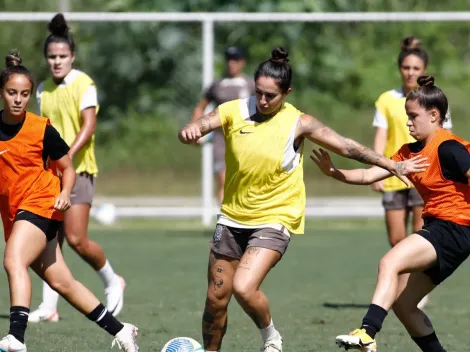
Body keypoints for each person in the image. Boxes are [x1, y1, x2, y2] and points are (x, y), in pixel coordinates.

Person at [178, 47, 425, 352]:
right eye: (259, 93)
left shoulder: (299, 122)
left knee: (243, 287)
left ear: (287, 93)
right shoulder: (233, 110)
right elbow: (200, 125)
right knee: (216, 300)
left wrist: (392, 165)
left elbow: (347, 146)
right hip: (231, 217)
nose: (264, 101)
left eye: (272, 95)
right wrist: (189, 131)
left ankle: (270, 337)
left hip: (275, 217)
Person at [312, 76, 465, 352]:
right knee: (404, 305)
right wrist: (334, 172)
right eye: (407, 115)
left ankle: (367, 331)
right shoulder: (408, 153)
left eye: (413, 116)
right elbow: (369, 174)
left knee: (389, 262)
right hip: (441, 227)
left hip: (455, 228)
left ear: (434, 115)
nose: (408, 122)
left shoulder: (449, 147)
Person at [0, 50, 139, 351]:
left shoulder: (40, 129)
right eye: (12, 92)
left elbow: (68, 168)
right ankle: (121, 330)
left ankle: (16, 338)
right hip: (15, 213)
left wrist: (65, 193)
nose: (18, 99)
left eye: (24, 94)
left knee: (13, 260)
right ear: (2, 93)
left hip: (42, 204)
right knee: (62, 282)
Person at [29, 13, 125, 323]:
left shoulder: (84, 84)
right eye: (52, 57)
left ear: (73, 56)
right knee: (48, 240)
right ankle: (49, 307)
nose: (57, 62)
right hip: (50, 175)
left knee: (76, 238)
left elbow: (89, 125)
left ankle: (113, 280)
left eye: (62, 56)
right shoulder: (43, 89)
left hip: (79, 171)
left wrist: (65, 155)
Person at [370, 36, 452, 309]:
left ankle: (413, 292)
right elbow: (381, 136)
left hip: (423, 176)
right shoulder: (386, 99)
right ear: (400, 68)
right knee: (396, 239)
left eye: (416, 68)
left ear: (424, 69)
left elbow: (445, 138)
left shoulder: (433, 100)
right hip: (396, 173)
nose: (410, 73)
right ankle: (403, 287)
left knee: (420, 233)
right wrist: (378, 166)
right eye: (406, 68)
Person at [190, 46, 255, 204]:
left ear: (243, 62)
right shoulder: (217, 85)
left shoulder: (250, 84)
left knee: (245, 181)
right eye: (229, 60)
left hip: (245, 138)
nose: (231, 63)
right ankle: (226, 220)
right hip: (221, 139)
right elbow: (200, 107)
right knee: (223, 179)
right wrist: (194, 129)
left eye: (235, 60)